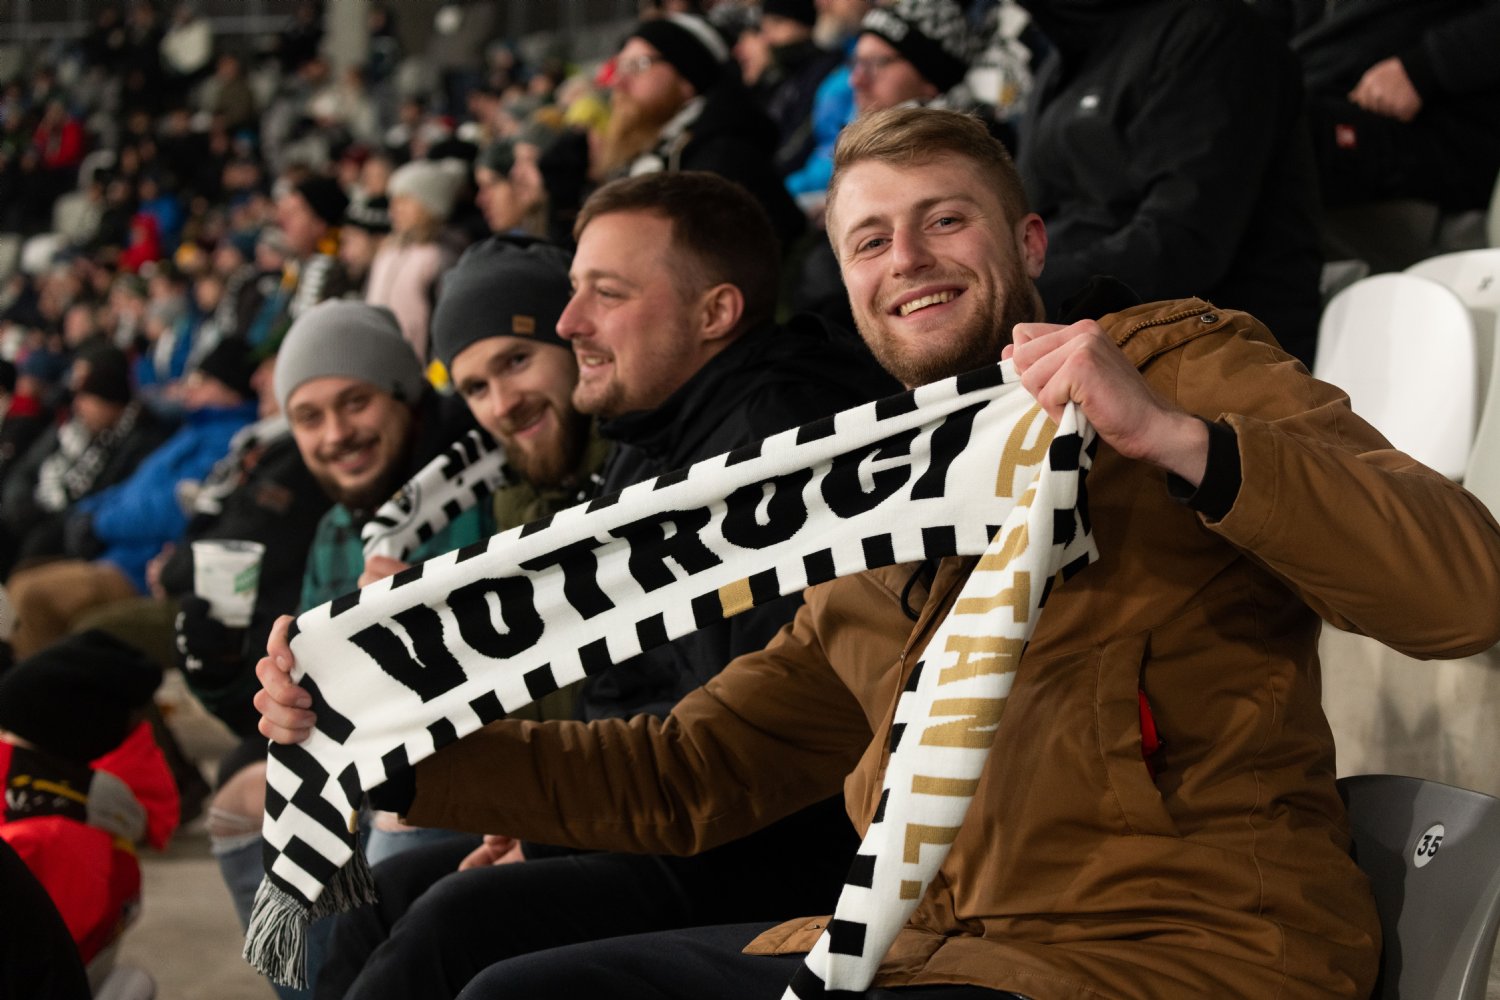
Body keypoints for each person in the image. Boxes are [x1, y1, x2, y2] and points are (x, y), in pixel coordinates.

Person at [261, 105, 1500, 1000]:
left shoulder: (1184, 365)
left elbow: (1461, 589)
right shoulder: (866, 507)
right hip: (922, 952)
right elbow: (686, 772)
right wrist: (388, 744)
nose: (905, 259)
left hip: (1179, 954)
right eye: (868, 241)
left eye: (943, 220)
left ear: (1029, 244)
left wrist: (1177, 439)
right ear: (848, 287)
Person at [296, 171, 895, 1000]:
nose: (570, 320)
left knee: (453, 927)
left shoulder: (780, 450)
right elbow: (624, 693)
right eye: (574, 292)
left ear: (716, 313)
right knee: (373, 897)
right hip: (669, 813)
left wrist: (547, 833)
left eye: (604, 294)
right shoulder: (653, 437)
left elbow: (751, 765)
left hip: (774, 851)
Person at [1016, 0, 1323, 365]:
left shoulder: (1211, 34)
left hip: (1216, 353)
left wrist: (1019, 293)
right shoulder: (1057, 66)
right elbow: (1030, 220)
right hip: (1085, 343)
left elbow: (1182, 245)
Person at [6, 338, 260, 657]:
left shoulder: (229, 439)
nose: (189, 388)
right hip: (116, 555)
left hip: (140, 569)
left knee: (32, 595)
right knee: (23, 577)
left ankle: (34, 685)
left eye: (202, 381)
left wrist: (98, 523)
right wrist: (86, 512)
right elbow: (132, 487)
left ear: (231, 390)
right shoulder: (193, 428)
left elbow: (172, 511)